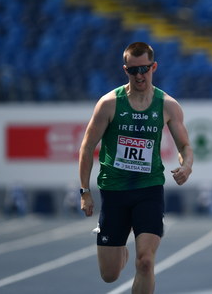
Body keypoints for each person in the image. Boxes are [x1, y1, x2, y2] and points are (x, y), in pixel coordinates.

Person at [79, 42, 193, 294]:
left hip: (148, 189)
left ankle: (137, 252)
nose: (139, 75)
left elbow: (185, 146)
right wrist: (84, 191)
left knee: (145, 262)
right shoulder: (109, 104)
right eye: (133, 71)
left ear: (154, 67)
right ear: (125, 70)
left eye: (144, 69)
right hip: (114, 191)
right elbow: (87, 147)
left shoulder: (167, 105)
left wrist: (187, 166)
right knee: (109, 275)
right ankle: (121, 248)